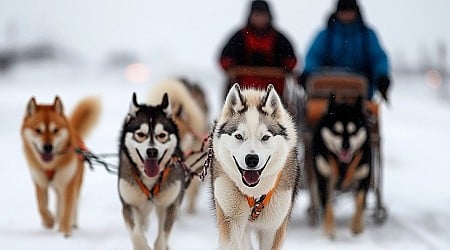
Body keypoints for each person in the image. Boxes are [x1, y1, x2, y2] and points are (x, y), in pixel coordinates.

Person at [299, 0, 391, 101]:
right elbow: (314, 56)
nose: (346, 15)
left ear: (356, 12)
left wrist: (382, 76)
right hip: (326, 93)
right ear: (337, 12)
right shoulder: (326, 35)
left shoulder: (367, 36)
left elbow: (378, 58)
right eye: (343, 11)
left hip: (360, 94)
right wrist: (308, 72)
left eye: (349, 11)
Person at [219, 0, 297, 96]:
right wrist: (231, 68)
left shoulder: (278, 39)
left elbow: (291, 61)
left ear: (269, 17)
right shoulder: (240, 37)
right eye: (257, 15)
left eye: (262, 16)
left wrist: (284, 69)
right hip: (243, 92)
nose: (259, 19)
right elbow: (224, 60)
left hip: (273, 93)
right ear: (250, 17)